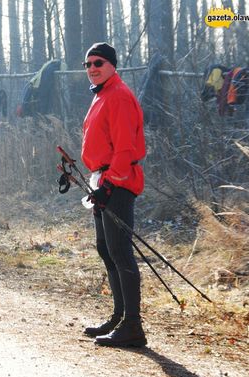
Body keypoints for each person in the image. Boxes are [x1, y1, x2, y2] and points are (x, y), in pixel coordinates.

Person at [80, 43, 147, 347]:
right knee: (105, 249)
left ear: (112, 65)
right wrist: (100, 182)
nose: (92, 67)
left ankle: (133, 325)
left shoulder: (118, 96)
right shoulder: (102, 94)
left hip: (117, 183)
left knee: (120, 252)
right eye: (88, 64)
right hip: (102, 180)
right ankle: (119, 317)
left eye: (99, 62)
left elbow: (125, 149)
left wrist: (109, 184)